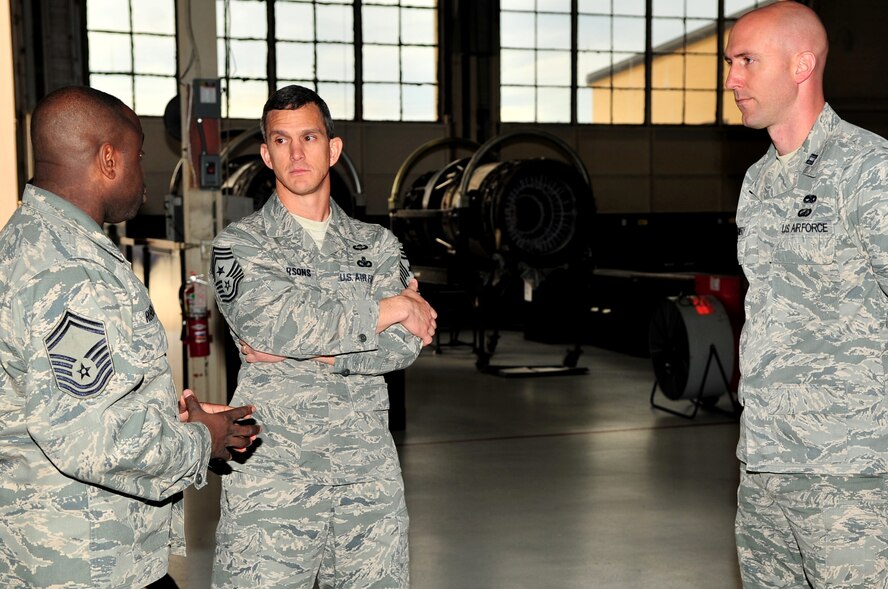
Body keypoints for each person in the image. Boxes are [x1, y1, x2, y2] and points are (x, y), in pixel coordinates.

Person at [0, 86, 261, 588]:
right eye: (138, 156)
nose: (145, 174)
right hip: (88, 561)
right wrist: (202, 440)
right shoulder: (67, 270)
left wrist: (169, 415)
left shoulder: (32, 242)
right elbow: (91, 438)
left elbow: (72, 399)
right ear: (108, 160)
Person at [209, 84, 437, 588]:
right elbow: (271, 323)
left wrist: (313, 355)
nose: (296, 153)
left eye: (309, 137)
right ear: (266, 155)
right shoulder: (239, 245)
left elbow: (405, 344)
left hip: (367, 481)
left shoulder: (376, 244)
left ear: (332, 149)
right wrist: (390, 308)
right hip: (274, 479)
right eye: (282, 140)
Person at [725, 2, 888, 587]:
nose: (731, 79)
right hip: (765, 465)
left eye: (747, 60)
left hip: (851, 474)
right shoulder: (758, 179)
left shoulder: (868, 169)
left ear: (802, 64)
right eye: (730, 62)